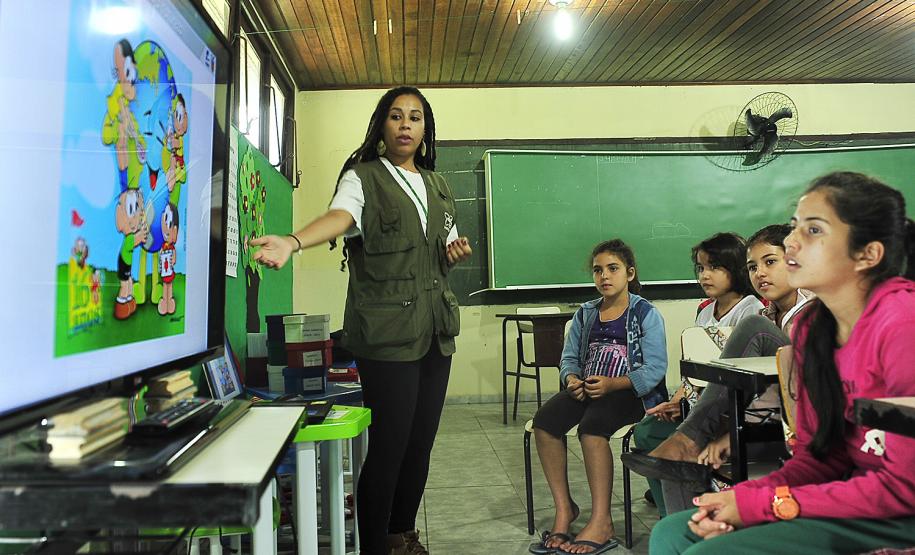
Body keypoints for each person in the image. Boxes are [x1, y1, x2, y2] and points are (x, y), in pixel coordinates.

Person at [250, 86, 472, 555]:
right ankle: (374, 545)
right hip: (387, 335)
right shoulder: (363, 177)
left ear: (426, 127)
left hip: (436, 331)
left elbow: (436, 255)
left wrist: (452, 255)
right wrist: (293, 241)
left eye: (415, 117)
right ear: (383, 125)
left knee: (419, 445)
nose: (406, 124)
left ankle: (400, 534)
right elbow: (339, 216)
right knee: (390, 447)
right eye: (396, 116)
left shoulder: (439, 185)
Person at [650, 172, 915, 554]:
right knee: (673, 533)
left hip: (899, 513)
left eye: (814, 230)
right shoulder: (813, 330)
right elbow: (821, 457)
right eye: (794, 228)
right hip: (855, 496)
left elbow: (904, 488)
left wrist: (765, 506)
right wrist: (748, 497)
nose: (792, 241)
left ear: (867, 254)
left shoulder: (902, 324)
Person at [622, 224, 814, 513]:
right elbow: (761, 389)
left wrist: (733, 432)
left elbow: (802, 393)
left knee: (753, 327)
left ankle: (688, 437)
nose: (759, 273)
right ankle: (685, 538)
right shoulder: (767, 314)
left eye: (770, 262)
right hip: (764, 420)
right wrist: (727, 428)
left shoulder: (815, 314)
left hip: (799, 426)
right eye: (752, 266)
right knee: (680, 464)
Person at [528, 239, 668, 555]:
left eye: (613, 269)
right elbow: (568, 358)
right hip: (589, 389)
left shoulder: (645, 313)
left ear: (630, 273)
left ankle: (602, 519)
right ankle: (565, 509)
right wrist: (572, 379)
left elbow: (655, 368)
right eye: (597, 270)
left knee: (593, 430)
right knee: (545, 423)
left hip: (629, 393)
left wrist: (614, 384)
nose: (604, 276)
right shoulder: (586, 313)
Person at [633, 232, 762, 517]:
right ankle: (672, 508)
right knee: (646, 430)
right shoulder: (705, 312)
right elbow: (695, 370)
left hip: (728, 413)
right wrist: (676, 401)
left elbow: (741, 378)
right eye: (701, 268)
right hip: (699, 405)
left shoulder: (752, 311)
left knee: (659, 438)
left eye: (715, 267)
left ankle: (686, 505)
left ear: (736, 268)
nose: (705, 275)